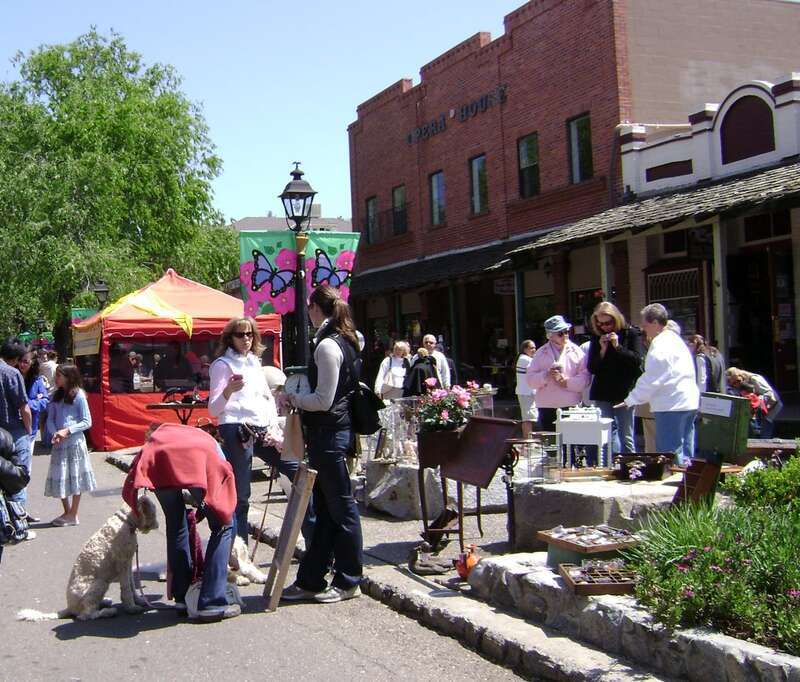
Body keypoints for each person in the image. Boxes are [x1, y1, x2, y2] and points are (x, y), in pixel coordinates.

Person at [281, 284, 363, 604]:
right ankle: (312, 578)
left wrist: (294, 399)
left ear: (315, 308)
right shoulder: (343, 340)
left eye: (309, 308)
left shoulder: (328, 345)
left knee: (341, 509)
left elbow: (324, 400)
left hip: (330, 435)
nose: (308, 314)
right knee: (328, 511)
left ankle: (348, 579)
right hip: (331, 434)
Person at [123, 423, 239, 621]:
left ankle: (182, 597)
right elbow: (222, 492)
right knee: (224, 525)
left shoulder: (168, 434)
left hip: (158, 459)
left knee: (176, 524)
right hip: (191, 458)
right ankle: (211, 603)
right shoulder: (211, 445)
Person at [208, 317, 279, 544]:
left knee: (292, 468)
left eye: (250, 334)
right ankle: (238, 550)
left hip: (262, 427)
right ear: (230, 338)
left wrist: (274, 426)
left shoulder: (254, 363)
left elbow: (266, 399)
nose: (246, 339)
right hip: (236, 427)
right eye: (240, 335)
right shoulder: (222, 365)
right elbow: (214, 408)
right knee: (241, 494)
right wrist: (228, 390)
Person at [620, 304, 699, 466]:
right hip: (688, 401)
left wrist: (631, 399)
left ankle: (676, 486)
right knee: (686, 449)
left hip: (671, 404)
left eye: (645, 323)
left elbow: (653, 378)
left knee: (670, 452)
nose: (643, 328)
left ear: (655, 323)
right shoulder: (676, 340)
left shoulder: (661, 345)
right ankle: (689, 486)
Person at [586, 302, 644, 455]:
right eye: (600, 324)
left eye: (608, 323)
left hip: (623, 391)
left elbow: (636, 361)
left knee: (626, 435)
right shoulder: (597, 337)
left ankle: (631, 467)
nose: (605, 327)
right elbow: (592, 368)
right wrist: (603, 351)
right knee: (606, 433)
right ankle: (609, 467)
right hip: (603, 391)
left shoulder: (631, 333)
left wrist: (618, 347)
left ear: (616, 319)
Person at [45, 364, 95, 526]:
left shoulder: (79, 395)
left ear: (68, 376)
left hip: (74, 443)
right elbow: (50, 419)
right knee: (60, 476)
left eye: (59, 375)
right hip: (59, 443)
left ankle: (74, 513)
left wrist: (67, 430)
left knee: (75, 477)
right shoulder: (54, 396)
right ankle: (67, 512)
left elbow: (87, 421)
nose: (56, 378)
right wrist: (55, 433)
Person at [526, 315, 590, 433]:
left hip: (570, 405)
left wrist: (566, 382)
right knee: (551, 444)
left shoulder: (577, 351)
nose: (565, 335)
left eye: (566, 332)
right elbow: (530, 380)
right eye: (560, 333)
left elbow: (585, 378)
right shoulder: (540, 353)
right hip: (547, 406)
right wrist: (546, 375)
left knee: (570, 443)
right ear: (550, 335)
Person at [0, 339, 34, 526]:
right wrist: (29, 431)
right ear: (16, 358)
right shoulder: (12, 373)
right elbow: (24, 407)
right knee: (17, 479)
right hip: (13, 434)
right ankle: (18, 524)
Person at [19, 352, 49, 520]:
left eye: (26, 362)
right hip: (13, 431)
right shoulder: (12, 377)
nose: (23, 364)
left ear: (32, 364)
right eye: (21, 361)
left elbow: (44, 400)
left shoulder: (37, 380)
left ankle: (21, 510)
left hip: (30, 431)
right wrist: (31, 402)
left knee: (25, 472)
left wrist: (27, 404)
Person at [726, 367, 782, 438]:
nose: (736, 385)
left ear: (741, 376)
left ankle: (765, 445)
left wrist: (756, 400)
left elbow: (770, 394)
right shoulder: (737, 385)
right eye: (733, 383)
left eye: (738, 381)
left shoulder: (755, 379)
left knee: (765, 428)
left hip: (771, 405)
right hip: (756, 409)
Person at [515, 340, 538, 439]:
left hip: (528, 393)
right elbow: (540, 367)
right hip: (526, 394)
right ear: (524, 349)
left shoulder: (525, 358)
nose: (534, 350)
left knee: (529, 418)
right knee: (527, 419)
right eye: (531, 348)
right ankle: (528, 442)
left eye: (534, 348)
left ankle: (529, 441)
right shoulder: (525, 359)